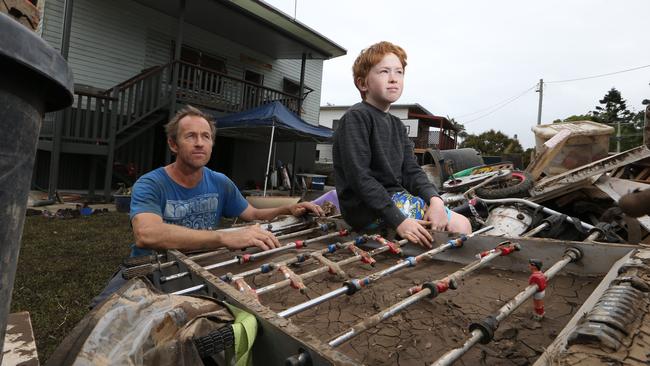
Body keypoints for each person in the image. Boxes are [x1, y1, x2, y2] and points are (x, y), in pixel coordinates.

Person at [91, 105, 323, 307]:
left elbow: (251, 213)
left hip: (201, 266)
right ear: (173, 144)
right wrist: (223, 238)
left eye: (206, 136)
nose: (199, 143)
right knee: (101, 318)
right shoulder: (151, 183)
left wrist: (287, 209)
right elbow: (147, 234)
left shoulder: (219, 182)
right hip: (150, 269)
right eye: (190, 136)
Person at [332, 41, 471, 248]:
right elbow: (359, 178)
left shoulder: (397, 125)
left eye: (399, 72)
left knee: (462, 224)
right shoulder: (356, 118)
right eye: (384, 72)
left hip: (395, 199)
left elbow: (412, 171)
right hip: (365, 209)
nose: (393, 78)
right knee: (453, 229)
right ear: (363, 84)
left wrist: (435, 200)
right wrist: (399, 220)